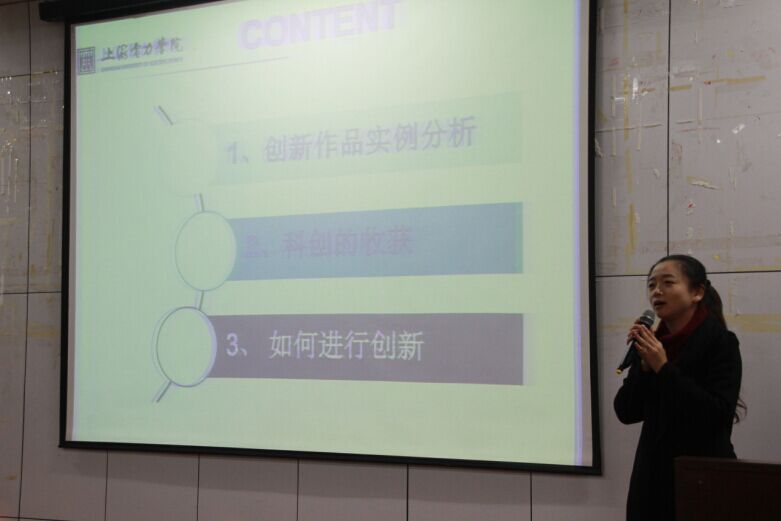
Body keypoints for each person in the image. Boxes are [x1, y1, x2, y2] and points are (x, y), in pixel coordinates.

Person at [614, 254, 743, 521]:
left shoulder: (721, 343)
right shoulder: (651, 344)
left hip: (702, 478)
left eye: (668, 282)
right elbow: (626, 412)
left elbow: (717, 414)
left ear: (697, 292)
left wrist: (664, 369)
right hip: (651, 482)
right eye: (651, 285)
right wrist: (645, 370)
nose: (657, 291)